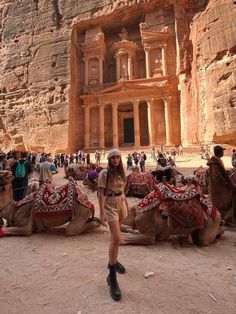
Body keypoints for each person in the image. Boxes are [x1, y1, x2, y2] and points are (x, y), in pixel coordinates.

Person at [97, 148, 129, 302]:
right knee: (116, 237)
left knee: (115, 238)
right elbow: (100, 193)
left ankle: (114, 261)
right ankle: (112, 275)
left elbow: (122, 191)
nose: (115, 160)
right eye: (113, 158)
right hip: (109, 205)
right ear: (109, 159)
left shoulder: (121, 172)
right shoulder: (105, 173)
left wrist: (126, 204)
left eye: (117, 157)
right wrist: (101, 212)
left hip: (120, 203)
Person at [207, 145, 236, 221]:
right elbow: (217, 177)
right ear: (219, 152)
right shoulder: (214, 164)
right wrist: (228, 184)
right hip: (219, 188)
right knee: (232, 194)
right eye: (222, 151)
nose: (223, 152)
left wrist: (228, 171)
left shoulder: (217, 161)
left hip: (221, 186)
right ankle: (229, 217)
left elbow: (221, 172)